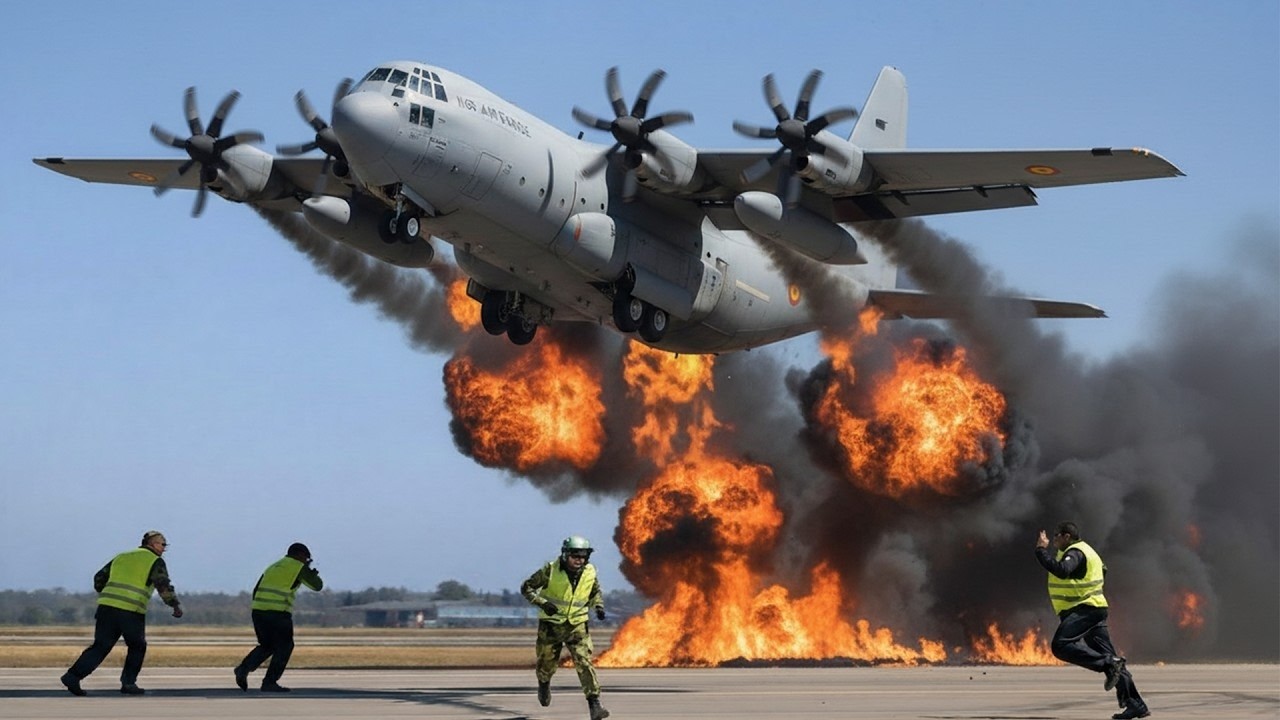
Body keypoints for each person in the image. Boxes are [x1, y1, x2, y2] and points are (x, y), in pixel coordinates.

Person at [1036, 522, 1150, 720]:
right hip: (1093, 608)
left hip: (1084, 610)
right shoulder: (1088, 551)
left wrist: (1040, 550)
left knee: (1060, 646)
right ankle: (1136, 704)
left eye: (1056, 536)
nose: (1053, 540)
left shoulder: (1076, 552)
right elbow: (1102, 571)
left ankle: (1107, 663)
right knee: (1115, 663)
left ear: (1066, 536)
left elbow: (1063, 570)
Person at [60, 530, 183, 696]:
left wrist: (108, 595)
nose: (164, 549)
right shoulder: (155, 561)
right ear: (153, 544)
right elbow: (162, 584)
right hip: (130, 611)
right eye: (163, 545)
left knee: (101, 646)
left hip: (106, 608)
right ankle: (128, 683)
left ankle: (72, 676)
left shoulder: (122, 556)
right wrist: (174, 605)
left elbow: (98, 578)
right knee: (137, 646)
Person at [520, 535, 609, 720]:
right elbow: (526, 588)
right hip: (551, 626)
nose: (579, 560)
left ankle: (595, 704)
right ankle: (544, 684)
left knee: (584, 663)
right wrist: (543, 603)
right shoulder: (550, 570)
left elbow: (595, 591)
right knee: (546, 664)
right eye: (575, 556)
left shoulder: (590, 571)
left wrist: (599, 606)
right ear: (565, 554)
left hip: (577, 626)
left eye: (583, 556)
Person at [234, 542, 323, 692]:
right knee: (285, 646)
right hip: (278, 613)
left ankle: (244, 668)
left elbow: (256, 588)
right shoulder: (298, 567)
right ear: (300, 555)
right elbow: (317, 586)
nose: (307, 561)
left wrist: (260, 606)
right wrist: (311, 572)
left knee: (267, 645)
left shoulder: (273, 566)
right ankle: (269, 682)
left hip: (258, 611)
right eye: (307, 558)